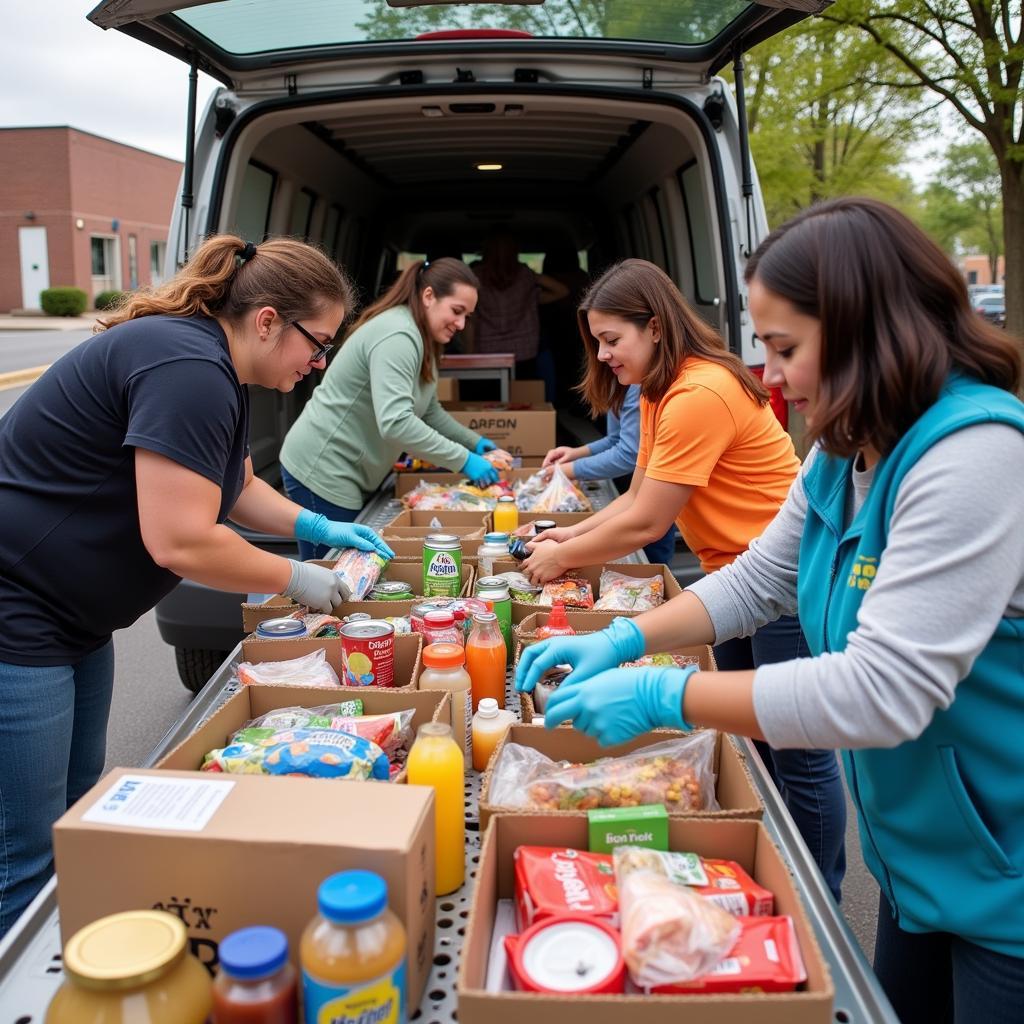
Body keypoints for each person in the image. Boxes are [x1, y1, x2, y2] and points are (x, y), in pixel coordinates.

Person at [518, 197, 1024, 1022]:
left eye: (786, 348)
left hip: (1003, 882)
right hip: (918, 867)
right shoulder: (843, 448)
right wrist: (627, 637)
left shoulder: (974, 456)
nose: (771, 375)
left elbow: (879, 691)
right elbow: (759, 581)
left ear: (868, 327)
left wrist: (662, 695)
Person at [0, 234, 393, 937]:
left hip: (72, 620)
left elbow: (235, 489)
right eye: (319, 341)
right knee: (25, 860)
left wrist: (321, 527)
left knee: (76, 817)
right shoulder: (186, 366)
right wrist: (296, 576)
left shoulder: (216, 368)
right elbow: (178, 538)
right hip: (18, 612)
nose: (320, 361)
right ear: (267, 320)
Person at [521, 258, 847, 901]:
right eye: (596, 341)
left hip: (780, 585)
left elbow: (646, 521)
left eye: (612, 339)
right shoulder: (661, 392)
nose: (603, 354)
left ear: (656, 328)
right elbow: (636, 493)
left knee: (799, 753)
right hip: (735, 582)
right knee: (757, 743)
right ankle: (777, 861)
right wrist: (570, 538)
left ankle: (819, 895)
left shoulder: (699, 392)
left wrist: (566, 558)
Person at [280, 258, 508, 559]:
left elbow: (428, 411)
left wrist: (474, 443)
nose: (462, 324)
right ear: (428, 297)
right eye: (456, 311)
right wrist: (465, 460)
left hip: (349, 473)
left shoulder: (421, 337)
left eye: (467, 315)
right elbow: (397, 423)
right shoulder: (398, 335)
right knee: (332, 577)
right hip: (323, 471)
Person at [541, 384, 677, 564]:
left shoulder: (642, 388)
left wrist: (558, 557)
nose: (604, 356)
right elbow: (617, 439)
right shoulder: (623, 382)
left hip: (657, 495)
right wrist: (578, 453)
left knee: (652, 563)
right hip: (635, 492)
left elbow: (629, 453)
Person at [467, 231, 569, 379]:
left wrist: (469, 355)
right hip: (523, 353)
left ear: (486, 251)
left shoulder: (474, 278)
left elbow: (470, 319)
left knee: (489, 400)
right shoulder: (526, 276)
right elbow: (562, 291)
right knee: (522, 399)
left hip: (487, 352)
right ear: (515, 251)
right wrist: (534, 290)